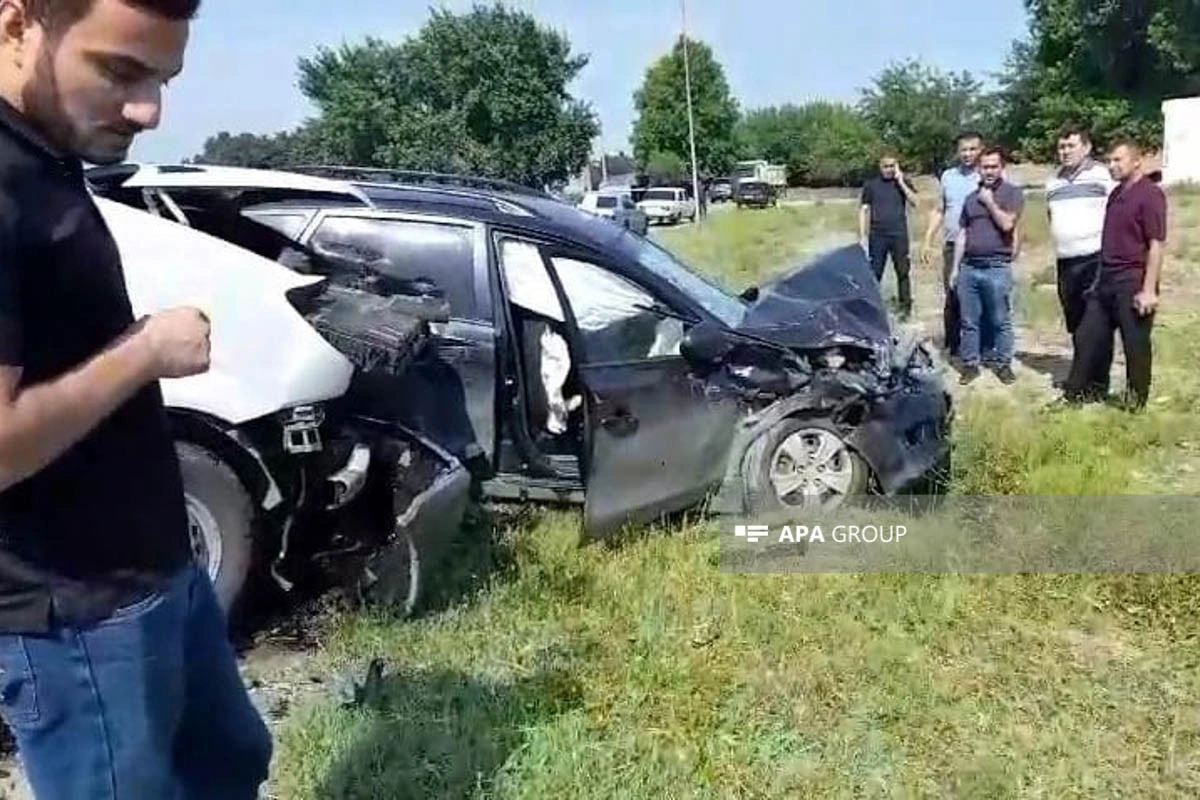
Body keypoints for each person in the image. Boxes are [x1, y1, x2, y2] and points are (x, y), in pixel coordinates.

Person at [0, 1, 272, 798]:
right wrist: (147, 352)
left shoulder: (44, 151)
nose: (148, 111)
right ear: (16, 25)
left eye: (162, 80)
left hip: (153, 570)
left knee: (230, 761)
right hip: (76, 614)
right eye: (120, 71)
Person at [1062, 140, 1167, 410]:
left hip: (1133, 279)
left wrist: (1148, 290)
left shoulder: (1150, 194)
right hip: (1106, 278)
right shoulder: (1116, 194)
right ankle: (1077, 393)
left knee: (1134, 343)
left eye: (1118, 160)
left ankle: (1135, 402)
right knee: (1088, 336)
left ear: (1136, 161)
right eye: (1109, 160)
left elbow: (1156, 244)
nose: (1112, 165)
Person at [1046, 123, 1117, 396]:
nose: (1065, 151)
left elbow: (1117, 212)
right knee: (1075, 321)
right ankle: (1084, 375)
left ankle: (1096, 384)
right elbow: (1052, 216)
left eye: (1071, 146)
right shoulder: (1053, 180)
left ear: (1086, 148)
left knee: (1096, 323)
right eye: (1061, 147)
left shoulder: (1102, 175)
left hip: (1095, 258)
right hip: (1066, 261)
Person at [949, 146, 1026, 385]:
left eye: (994, 166)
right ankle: (970, 364)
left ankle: (1003, 364)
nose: (989, 171)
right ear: (978, 169)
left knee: (1000, 319)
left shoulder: (1012, 193)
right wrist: (955, 269)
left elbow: (1007, 224)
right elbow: (963, 234)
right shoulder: (970, 199)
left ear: (1002, 168)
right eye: (985, 167)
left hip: (996, 266)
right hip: (969, 267)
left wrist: (990, 202)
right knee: (969, 321)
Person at [922, 131, 984, 357]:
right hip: (951, 245)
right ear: (957, 152)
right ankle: (953, 344)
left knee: (980, 296)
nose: (968, 154)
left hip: (980, 245)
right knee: (953, 294)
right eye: (963, 150)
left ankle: (982, 344)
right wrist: (927, 240)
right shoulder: (948, 176)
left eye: (973, 149)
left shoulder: (986, 174)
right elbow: (939, 210)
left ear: (981, 150)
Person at [859, 152, 918, 318]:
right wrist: (863, 235)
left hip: (899, 234)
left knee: (902, 271)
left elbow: (915, 202)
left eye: (892, 166)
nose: (889, 169)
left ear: (897, 166)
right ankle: (871, 308)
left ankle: (905, 308)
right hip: (877, 235)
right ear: (880, 167)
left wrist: (901, 181)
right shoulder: (871, 185)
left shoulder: (903, 182)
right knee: (875, 273)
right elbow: (864, 209)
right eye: (886, 166)